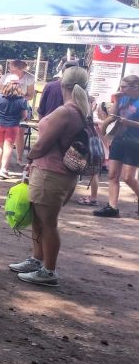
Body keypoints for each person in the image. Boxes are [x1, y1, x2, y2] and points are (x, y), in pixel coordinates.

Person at [9, 66, 91, 286]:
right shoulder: (80, 110)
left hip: (51, 173)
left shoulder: (66, 111)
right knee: (40, 220)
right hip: (57, 173)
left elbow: (43, 143)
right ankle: (37, 260)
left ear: (62, 83)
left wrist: (29, 157)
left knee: (48, 223)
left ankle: (49, 271)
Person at [93, 74, 139, 218]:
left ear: (135, 87)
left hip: (135, 141)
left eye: (123, 87)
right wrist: (117, 101)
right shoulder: (122, 98)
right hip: (119, 139)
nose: (121, 89)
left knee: (128, 177)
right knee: (112, 174)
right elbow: (112, 116)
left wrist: (128, 122)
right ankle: (112, 207)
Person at [0, 75, 29, 179]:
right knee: (8, 147)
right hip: (13, 125)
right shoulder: (22, 100)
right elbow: (24, 115)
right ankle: (4, 169)